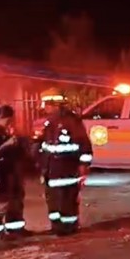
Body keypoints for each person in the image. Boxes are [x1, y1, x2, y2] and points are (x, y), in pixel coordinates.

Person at [37, 89, 93, 235]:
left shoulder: (71, 121)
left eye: (47, 105)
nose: (45, 108)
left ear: (55, 105)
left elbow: (84, 145)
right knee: (53, 200)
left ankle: (69, 227)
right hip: (51, 169)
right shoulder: (50, 122)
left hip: (67, 168)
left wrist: (84, 165)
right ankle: (56, 226)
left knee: (67, 200)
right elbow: (45, 145)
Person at [0, 104, 29, 241]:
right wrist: (6, 144)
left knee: (15, 200)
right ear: (0, 117)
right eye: (8, 119)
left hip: (11, 171)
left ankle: (15, 230)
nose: (10, 122)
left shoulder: (4, 130)